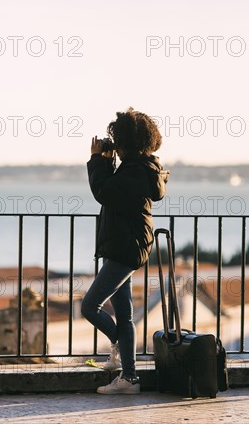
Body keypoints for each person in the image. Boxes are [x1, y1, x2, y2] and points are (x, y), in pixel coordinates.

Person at [81, 107, 169, 394]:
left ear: (127, 143)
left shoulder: (136, 171)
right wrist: (107, 164)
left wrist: (96, 160)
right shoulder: (137, 168)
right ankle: (129, 378)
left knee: (89, 306)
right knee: (125, 314)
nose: (113, 146)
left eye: (116, 140)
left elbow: (104, 193)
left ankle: (119, 350)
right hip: (124, 246)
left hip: (125, 249)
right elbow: (112, 193)